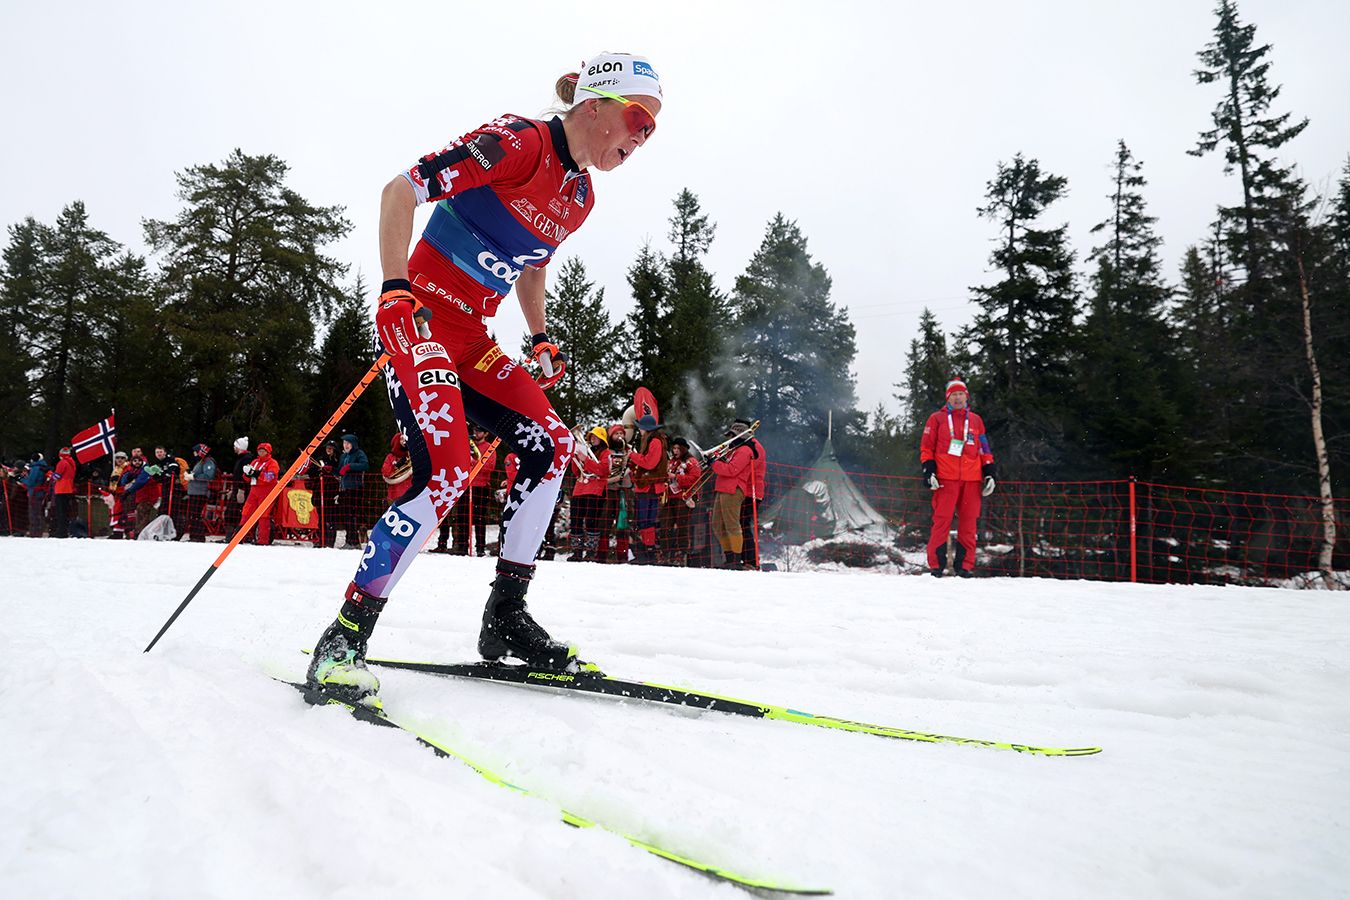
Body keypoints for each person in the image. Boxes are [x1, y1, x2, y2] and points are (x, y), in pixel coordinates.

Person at [306, 52, 664, 705]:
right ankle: (345, 637)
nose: (643, 136)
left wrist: (540, 336)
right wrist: (393, 289)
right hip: (419, 321)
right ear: (595, 105)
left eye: (654, 128)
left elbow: (532, 266)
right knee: (444, 470)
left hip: (473, 339)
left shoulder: (580, 196)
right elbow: (400, 190)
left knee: (552, 445)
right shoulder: (517, 142)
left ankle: (506, 617)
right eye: (638, 118)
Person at [920, 378, 996, 577]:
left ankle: (965, 567)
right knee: (942, 521)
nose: (957, 398)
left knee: (969, 524)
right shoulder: (936, 419)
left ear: (966, 396)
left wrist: (989, 473)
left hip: (972, 480)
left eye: (961, 394)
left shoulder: (976, 421)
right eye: (953, 395)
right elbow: (927, 448)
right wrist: (929, 471)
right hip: (946, 478)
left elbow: (984, 449)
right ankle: (936, 566)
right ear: (948, 398)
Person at [709, 421, 755, 569]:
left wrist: (714, 464)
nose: (729, 439)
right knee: (718, 524)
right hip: (723, 488)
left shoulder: (745, 450)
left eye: (732, 436)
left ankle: (735, 559)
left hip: (733, 489)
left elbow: (731, 470)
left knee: (732, 525)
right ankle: (729, 557)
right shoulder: (733, 450)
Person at [626, 414, 667, 564]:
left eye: (640, 428)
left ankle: (647, 553)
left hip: (649, 487)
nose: (639, 430)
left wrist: (633, 456)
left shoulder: (655, 441)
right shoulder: (654, 440)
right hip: (648, 486)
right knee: (645, 521)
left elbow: (649, 463)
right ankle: (647, 552)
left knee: (646, 521)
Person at [568, 427, 611, 562]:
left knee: (591, 522)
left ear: (602, 439)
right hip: (579, 489)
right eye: (591, 437)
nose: (592, 439)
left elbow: (603, 470)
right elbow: (576, 471)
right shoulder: (587, 451)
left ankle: (591, 552)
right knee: (575, 521)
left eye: (595, 436)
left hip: (596, 490)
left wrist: (585, 460)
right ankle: (577, 552)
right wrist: (576, 458)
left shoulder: (606, 453)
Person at [662, 436, 702, 566]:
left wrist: (676, 477)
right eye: (673, 448)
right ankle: (666, 553)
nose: (675, 451)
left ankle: (681, 554)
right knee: (665, 525)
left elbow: (695, 478)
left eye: (678, 448)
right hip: (669, 498)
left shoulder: (691, 461)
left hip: (684, 498)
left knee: (682, 526)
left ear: (684, 449)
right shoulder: (671, 462)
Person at [239, 442, 281, 545]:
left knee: (264, 516)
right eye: (259, 450)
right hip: (254, 491)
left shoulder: (273, 463)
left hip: (266, 493)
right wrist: (247, 474)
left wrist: (256, 473)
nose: (261, 452)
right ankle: (239, 537)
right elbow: (246, 479)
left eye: (263, 450)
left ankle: (262, 540)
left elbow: (270, 478)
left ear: (268, 452)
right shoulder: (254, 462)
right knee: (246, 513)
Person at [738, 424, 767, 569]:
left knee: (744, 524)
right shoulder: (746, 446)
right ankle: (746, 558)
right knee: (741, 524)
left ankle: (751, 560)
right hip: (746, 490)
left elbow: (746, 467)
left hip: (752, 491)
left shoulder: (755, 447)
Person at [335, 434, 369, 547]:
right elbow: (340, 471)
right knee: (346, 515)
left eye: (348, 443)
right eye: (344, 443)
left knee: (352, 515)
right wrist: (330, 469)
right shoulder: (343, 456)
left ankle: (353, 541)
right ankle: (349, 540)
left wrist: (350, 466)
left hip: (356, 488)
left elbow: (365, 465)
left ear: (353, 444)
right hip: (345, 488)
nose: (346, 445)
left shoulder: (359, 453)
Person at [182, 443, 217, 542]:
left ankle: (198, 536)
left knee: (196, 514)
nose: (193, 454)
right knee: (194, 515)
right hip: (195, 492)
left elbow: (208, 476)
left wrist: (193, 477)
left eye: (195, 452)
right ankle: (195, 536)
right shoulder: (201, 462)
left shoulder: (208, 462)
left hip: (201, 492)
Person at [227, 438, 254, 534]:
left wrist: (241, 489)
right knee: (231, 513)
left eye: (235, 446)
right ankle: (231, 535)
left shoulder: (246, 458)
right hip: (237, 489)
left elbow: (244, 476)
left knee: (235, 513)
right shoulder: (241, 458)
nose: (234, 448)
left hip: (241, 490)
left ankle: (235, 535)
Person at [21, 453, 50, 537]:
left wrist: (22, 480)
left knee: (33, 512)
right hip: (41, 492)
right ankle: (39, 530)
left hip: (34, 492)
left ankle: (35, 532)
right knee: (39, 511)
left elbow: (31, 482)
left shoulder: (35, 468)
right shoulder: (43, 467)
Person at [51, 447, 76, 538]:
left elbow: (57, 476)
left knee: (60, 511)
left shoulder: (62, 463)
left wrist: (50, 475)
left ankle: (61, 532)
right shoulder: (72, 462)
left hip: (61, 489)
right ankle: (64, 530)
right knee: (65, 511)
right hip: (69, 488)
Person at [381, 432, 412, 502]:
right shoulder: (390, 457)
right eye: (401, 439)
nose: (404, 442)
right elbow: (386, 473)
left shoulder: (411, 455)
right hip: (395, 495)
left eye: (405, 439)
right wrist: (397, 466)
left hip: (410, 493)